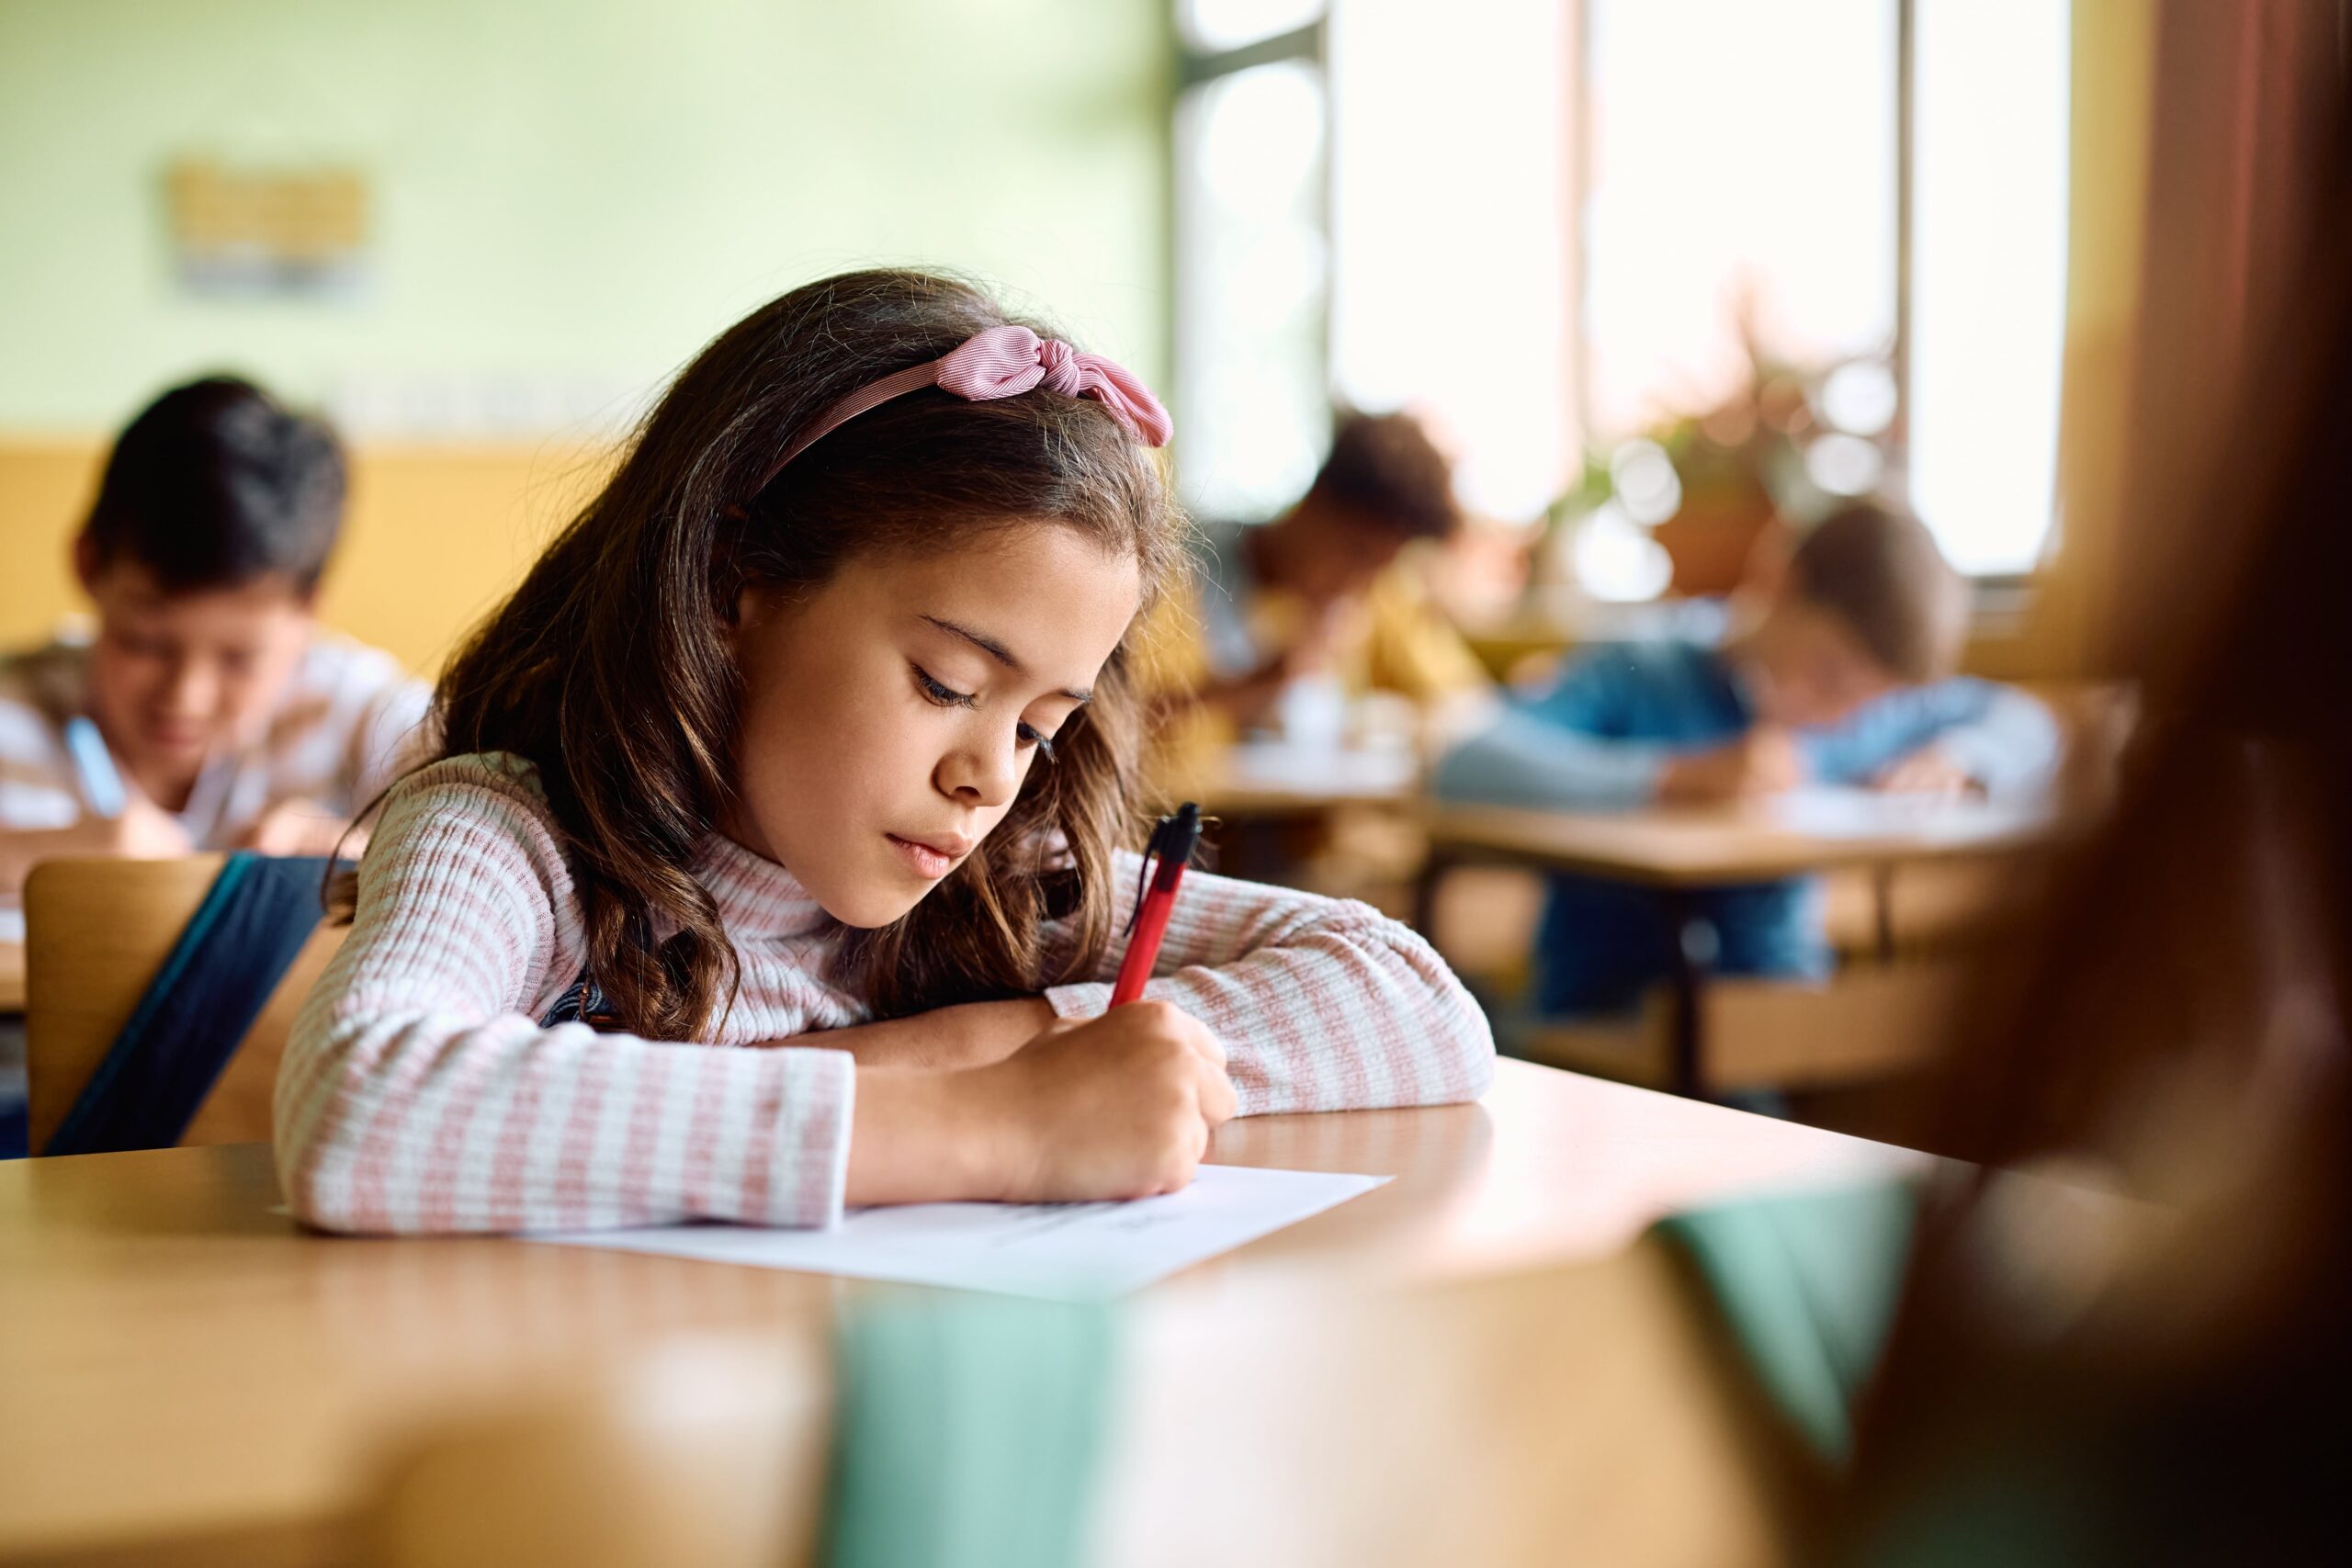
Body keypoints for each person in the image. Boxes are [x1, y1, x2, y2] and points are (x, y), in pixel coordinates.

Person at [273, 269, 1495, 1235]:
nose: (988, 776)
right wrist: (991, 1124)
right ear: (731, 577)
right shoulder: (519, 840)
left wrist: (969, 1046)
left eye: (1037, 725)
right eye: (945, 682)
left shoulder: (993, 890)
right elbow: (360, 1100)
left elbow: (1416, 1001)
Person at [1432, 501, 2060, 1013]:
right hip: (1613, 1014)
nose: (1839, 713)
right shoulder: (1642, 666)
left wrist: (1961, 756)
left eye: (1867, 701)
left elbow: (2027, 720)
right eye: (1829, 674)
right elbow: (1465, 763)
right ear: (1781, 586)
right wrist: (1672, 777)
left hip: (1778, 1014)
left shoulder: (1858, 716)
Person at [0, 377, 430, 941]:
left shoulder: (360, 709)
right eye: (146, 642)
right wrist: (37, 858)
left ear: (306, 611)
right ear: (87, 566)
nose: (187, 697)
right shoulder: (16, 711)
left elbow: (536, 848)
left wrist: (361, 855)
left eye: (240, 658)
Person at [1146, 410, 1490, 744]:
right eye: (1356, 552)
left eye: (1381, 567)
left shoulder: (1374, 596)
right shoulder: (1180, 573)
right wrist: (1258, 685)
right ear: (1313, 505)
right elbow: (1123, 719)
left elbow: (1464, 700)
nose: (1360, 581)